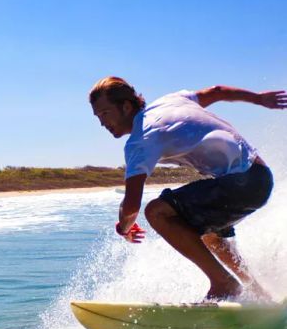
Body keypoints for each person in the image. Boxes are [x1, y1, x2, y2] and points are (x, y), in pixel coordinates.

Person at [89, 77, 286, 300]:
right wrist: (259, 99)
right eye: (98, 117)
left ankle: (224, 284)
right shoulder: (171, 101)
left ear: (125, 106)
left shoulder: (141, 139)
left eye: (105, 113)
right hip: (259, 177)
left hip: (240, 184)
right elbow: (218, 90)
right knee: (210, 236)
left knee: (156, 212)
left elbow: (132, 205)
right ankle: (258, 291)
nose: (102, 123)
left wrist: (124, 228)